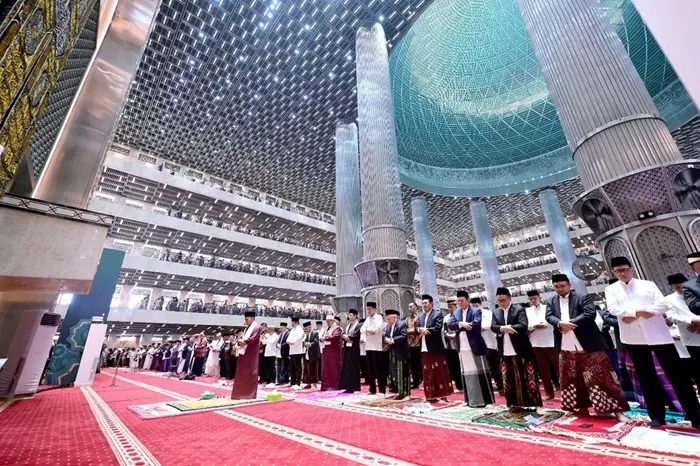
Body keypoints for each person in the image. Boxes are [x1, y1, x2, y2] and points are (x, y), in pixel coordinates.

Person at [606, 257, 700, 428]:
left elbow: (662, 304)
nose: (623, 273)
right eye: (619, 270)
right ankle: (656, 416)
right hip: (634, 339)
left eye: (625, 269)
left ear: (631, 269)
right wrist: (637, 312)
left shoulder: (647, 285)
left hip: (659, 336)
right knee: (646, 377)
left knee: (678, 376)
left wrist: (643, 312)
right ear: (614, 272)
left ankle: (695, 415)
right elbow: (613, 309)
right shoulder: (611, 289)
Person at [546, 274, 628, 421]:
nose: (560, 289)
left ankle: (617, 410)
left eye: (563, 286)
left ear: (569, 285)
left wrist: (570, 323)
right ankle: (581, 410)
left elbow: (590, 313)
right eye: (557, 286)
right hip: (566, 346)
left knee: (604, 378)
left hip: (590, 345)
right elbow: (549, 316)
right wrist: (559, 324)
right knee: (572, 380)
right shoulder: (551, 301)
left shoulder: (582, 297)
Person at [491, 287, 542, 411]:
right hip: (505, 349)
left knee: (527, 377)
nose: (501, 303)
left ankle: (533, 403)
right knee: (509, 378)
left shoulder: (519, 309)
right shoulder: (496, 312)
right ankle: (513, 403)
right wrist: (504, 329)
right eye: (499, 301)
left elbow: (523, 325)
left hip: (521, 349)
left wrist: (507, 328)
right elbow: (493, 326)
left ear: (510, 299)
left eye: (503, 300)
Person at [652, 273, 700, 394]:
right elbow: (672, 316)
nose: (680, 289)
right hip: (690, 339)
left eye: (682, 286)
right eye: (677, 287)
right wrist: (693, 321)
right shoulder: (669, 299)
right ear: (672, 287)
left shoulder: (696, 292)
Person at [448, 290, 494, 407]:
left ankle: (488, 401)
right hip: (462, 347)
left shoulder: (475, 311)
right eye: (458, 301)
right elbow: (451, 325)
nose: (460, 303)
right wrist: (461, 324)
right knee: (466, 375)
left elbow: (476, 325)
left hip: (475, 346)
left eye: (462, 300)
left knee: (482, 373)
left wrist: (460, 325)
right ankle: (470, 400)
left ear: (468, 300)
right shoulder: (456, 312)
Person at [418, 294, 454, 402]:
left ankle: (443, 395)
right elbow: (417, 328)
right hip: (424, 348)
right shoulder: (420, 316)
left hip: (436, 348)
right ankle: (430, 396)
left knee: (439, 373)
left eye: (426, 303)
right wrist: (419, 330)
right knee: (427, 373)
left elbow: (438, 328)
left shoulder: (438, 314)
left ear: (431, 303)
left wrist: (426, 330)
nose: (424, 305)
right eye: (423, 303)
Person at [526, 289, 559, 400]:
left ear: (540, 297)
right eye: (531, 299)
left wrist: (544, 324)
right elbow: (526, 325)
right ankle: (549, 393)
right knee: (543, 370)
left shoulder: (547, 308)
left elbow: (553, 321)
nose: (533, 300)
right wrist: (534, 326)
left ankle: (566, 390)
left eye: (535, 298)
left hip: (551, 341)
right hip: (536, 343)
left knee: (559, 368)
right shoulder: (527, 311)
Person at [473, 297, 503, 396]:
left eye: (477, 306)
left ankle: (501, 388)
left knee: (495, 368)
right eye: (473, 306)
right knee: (482, 369)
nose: (476, 308)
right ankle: (486, 389)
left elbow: (490, 325)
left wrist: (478, 327)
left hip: (491, 344)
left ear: (481, 304)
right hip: (478, 345)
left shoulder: (489, 313)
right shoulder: (472, 315)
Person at [231, 311, 262, 399]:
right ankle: (241, 392)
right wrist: (241, 341)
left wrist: (244, 341)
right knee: (242, 372)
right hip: (244, 352)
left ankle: (249, 393)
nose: (246, 321)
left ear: (252, 318)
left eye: (247, 319)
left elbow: (253, 338)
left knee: (250, 372)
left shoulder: (256, 327)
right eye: (245, 319)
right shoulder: (247, 328)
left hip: (251, 353)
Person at [384, 309, 411, 400]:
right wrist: (386, 339)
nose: (388, 320)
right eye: (387, 319)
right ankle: (396, 390)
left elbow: (403, 336)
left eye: (389, 318)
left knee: (402, 372)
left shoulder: (401, 324)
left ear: (394, 317)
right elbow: (386, 336)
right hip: (392, 352)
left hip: (401, 351)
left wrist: (393, 340)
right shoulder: (388, 326)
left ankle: (404, 392)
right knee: (393, 372)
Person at [361, 302, 387, 395]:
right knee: (370, 369)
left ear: (374, 309)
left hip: (377, 347)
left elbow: (377, 329)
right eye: (367, 309)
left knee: (379, 369)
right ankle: (372, 389)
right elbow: (362, 329)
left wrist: (369, 331)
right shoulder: (367, 319)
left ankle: (382, 390)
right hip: (368, 347)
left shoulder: (379, 317)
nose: (368, 311)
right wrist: (368, 331)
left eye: (370, 309)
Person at [339, 309, 362, 393]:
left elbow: (356, 335)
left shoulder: (358, 325)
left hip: (354, 349)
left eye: (351, 315)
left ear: (355, 316)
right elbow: (343, 333)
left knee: (354, 368)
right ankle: (348, 387)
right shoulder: (348, 325)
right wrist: (344, 336)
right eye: (349, 315)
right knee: (347, 367)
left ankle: (355, 387)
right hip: (347, 348)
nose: (349, 317)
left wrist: (348, 337)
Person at [443, 300, 463, 393]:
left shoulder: (460, 315)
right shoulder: (446, 317)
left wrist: (455, 335)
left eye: (451, 307)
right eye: (449, 307)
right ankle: (453, 384)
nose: (450, 309)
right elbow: (444, 329)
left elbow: (461, 327)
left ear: (456, 306)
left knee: (459, 365)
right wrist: (447, 335)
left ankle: (461, 385)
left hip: (459, 343)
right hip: (449, 345)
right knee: (451, 365)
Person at [321, 314, 342, 391]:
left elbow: (336, 337)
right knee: (326, 369)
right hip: (326, 351)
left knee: (333, 369)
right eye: (327, 321)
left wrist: (325, 338)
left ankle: (334, 386)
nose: (327, 323)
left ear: (333, 321)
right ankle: (326, 386)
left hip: (334, 352)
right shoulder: (326, 328)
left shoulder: (337, 328)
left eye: (329, 321)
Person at [405, 302, 423, 389]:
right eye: (408, 307)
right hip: (410, 344)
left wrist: (410, 331)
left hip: (419, 343)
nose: (409, 308)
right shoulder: (407, 319)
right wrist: (410, 331)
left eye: (411, 306)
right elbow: (404, 330)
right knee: (413, 364)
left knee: (420, 363)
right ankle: (415, 382)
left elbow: (419, 329)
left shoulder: (420, 317)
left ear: (416, 307)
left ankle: (422, 380)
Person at [287, 317, 305, 389]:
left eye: (293, 322)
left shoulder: (300, 329)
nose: (292, 323)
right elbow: (288, 338)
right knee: (292, 367)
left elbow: (298, 338)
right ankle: (293, 382)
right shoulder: (292, 330)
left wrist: (292, 342)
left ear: (296, 322)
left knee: (298, 367)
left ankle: (298, 382)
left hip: (297, 350)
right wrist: (289, 341)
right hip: (292, 350)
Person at [302, 322, 321, 389]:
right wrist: (305, 344)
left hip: (314, 354)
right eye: (305, 329)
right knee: (307, 369)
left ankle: (314, 383)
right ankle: (308, 383)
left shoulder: (315, 333)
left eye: (306, 328)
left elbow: (316, 342)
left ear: (310, 327)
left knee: (314, 369)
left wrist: (310, 344)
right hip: (308, 353)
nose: (306, 330)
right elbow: (303, 342)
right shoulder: (306, 334)